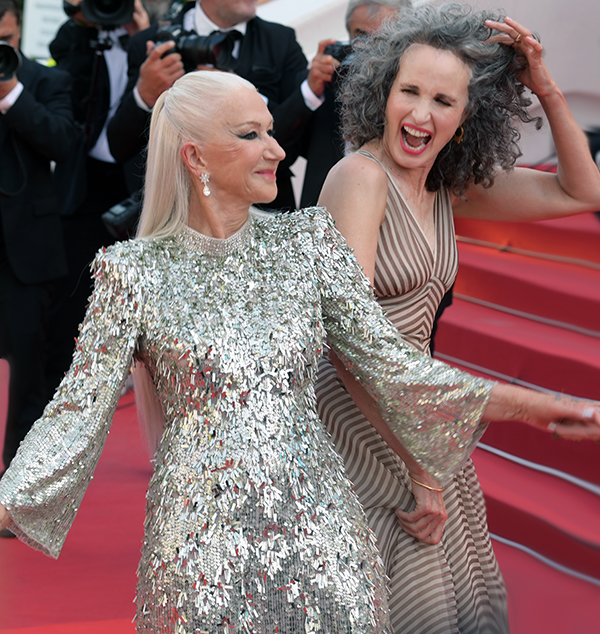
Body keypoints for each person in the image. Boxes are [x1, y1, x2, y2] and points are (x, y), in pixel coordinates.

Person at [0, 71, 598, 631]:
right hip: (200, 547)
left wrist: (531, 406)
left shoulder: (308, 243)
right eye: (251, 134)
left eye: (271, 130)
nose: (277, 149)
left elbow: (389, 365)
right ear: (195, 157)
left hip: (322, 531)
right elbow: (74, 417)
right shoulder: (132, 272)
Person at [317, 4, 600, 633]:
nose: (420, 114)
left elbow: (582, 191)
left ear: (468, 116)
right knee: (409, 600)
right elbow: (349, 345)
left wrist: (545, 87)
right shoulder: (360, 177)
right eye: (409, 91)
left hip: (421, 413)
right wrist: (421, 467)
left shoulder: (446, 185)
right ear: (382, 92)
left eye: (443, 100)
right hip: (363, 417)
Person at [106, 0, 325, 211]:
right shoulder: (151, 41)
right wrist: (144, 95)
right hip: (178, 211)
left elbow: (289, 149)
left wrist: (242, 95)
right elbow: (120, 148)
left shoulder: (280, 40)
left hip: (263, 211)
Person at [43, 0, 151, 401]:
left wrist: (142, 38)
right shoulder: (74, 37)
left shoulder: (151, 37)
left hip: (135, 179)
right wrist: (82, 17)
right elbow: (66, 79)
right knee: (71, 289)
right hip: (83, 180)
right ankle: (62, 383)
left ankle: (131, 375)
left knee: (133, 287)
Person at [0, 0, 76, 480]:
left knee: (29, 372)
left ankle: (18, 485)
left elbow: (63, 142)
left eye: (5, 39)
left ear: (19, 32)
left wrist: (11, 94)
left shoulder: (46, 81)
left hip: (24, 253)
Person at [299, 0, 410, 210]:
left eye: (384, 38)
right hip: (322, 213)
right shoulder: (332, 74)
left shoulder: (416, 87)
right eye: (361, 38)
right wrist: (310, 92)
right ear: (349, 34)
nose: (370, 50)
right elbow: (282, 149)